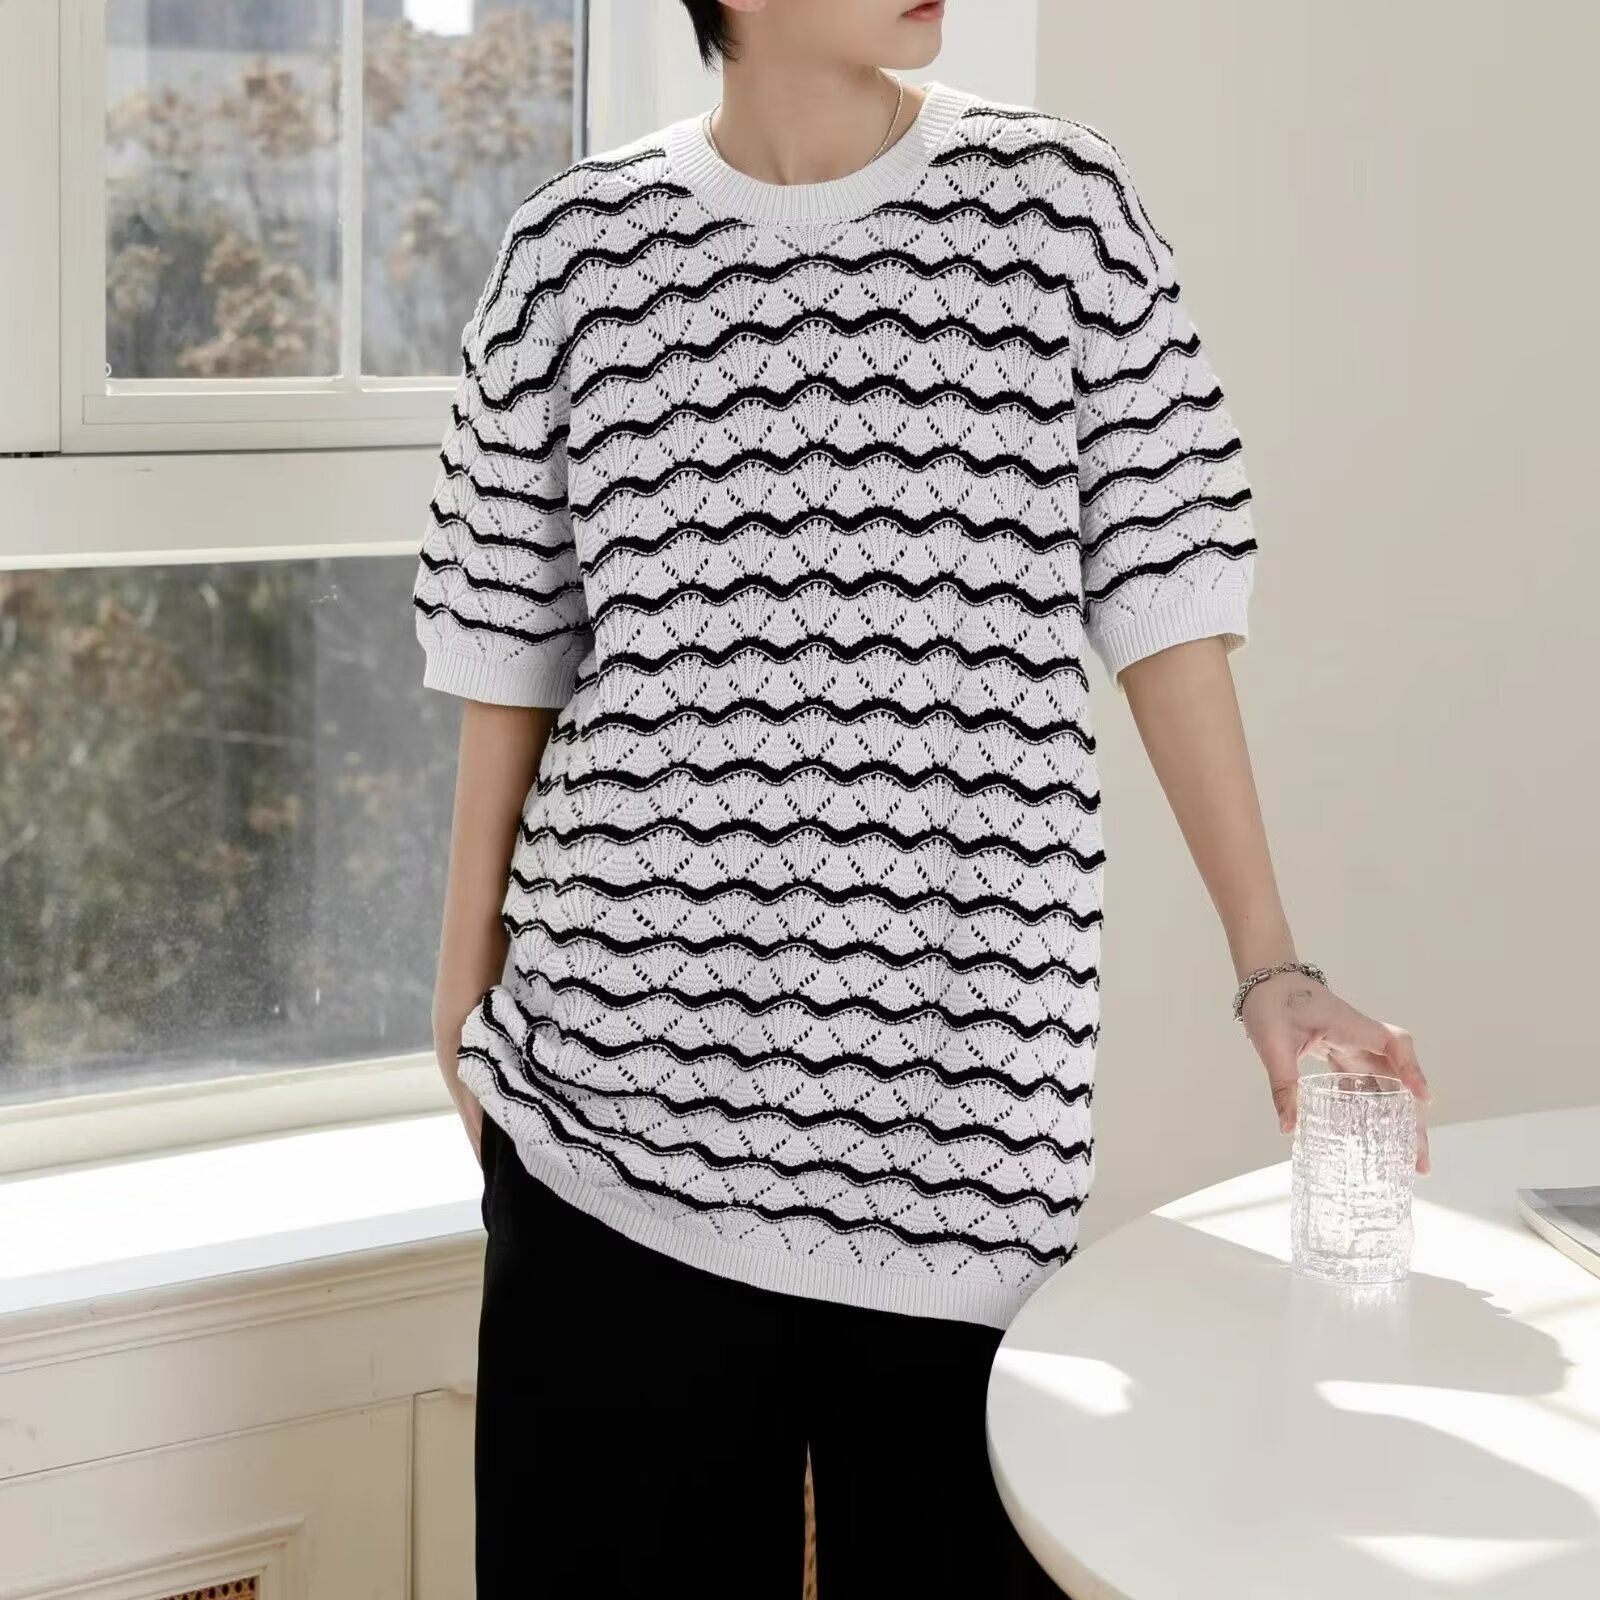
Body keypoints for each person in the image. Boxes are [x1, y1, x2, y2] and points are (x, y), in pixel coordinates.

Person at [412, 1, 1433, 1594]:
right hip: (608, 1124)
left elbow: (1170, 609)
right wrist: (460, 994)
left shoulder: (1058, 212)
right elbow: (510, 651)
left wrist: (1272, 969)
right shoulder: (574, 255)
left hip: (961, 1146)